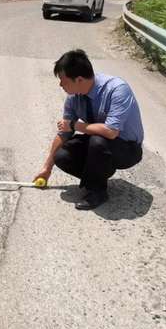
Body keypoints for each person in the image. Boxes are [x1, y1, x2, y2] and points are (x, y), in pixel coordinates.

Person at [34, 49, 144, 210]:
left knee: (98, 141)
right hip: (101, 145)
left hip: (127, 149)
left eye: (63, 81)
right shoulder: (74, 96)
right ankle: (97, 176)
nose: (60, 85)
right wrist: (47, 168)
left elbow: (111, 132)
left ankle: (97, 191)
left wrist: (75, 125)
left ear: (78, 79)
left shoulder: (117, 89)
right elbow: (64, 133)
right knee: (62, 155)